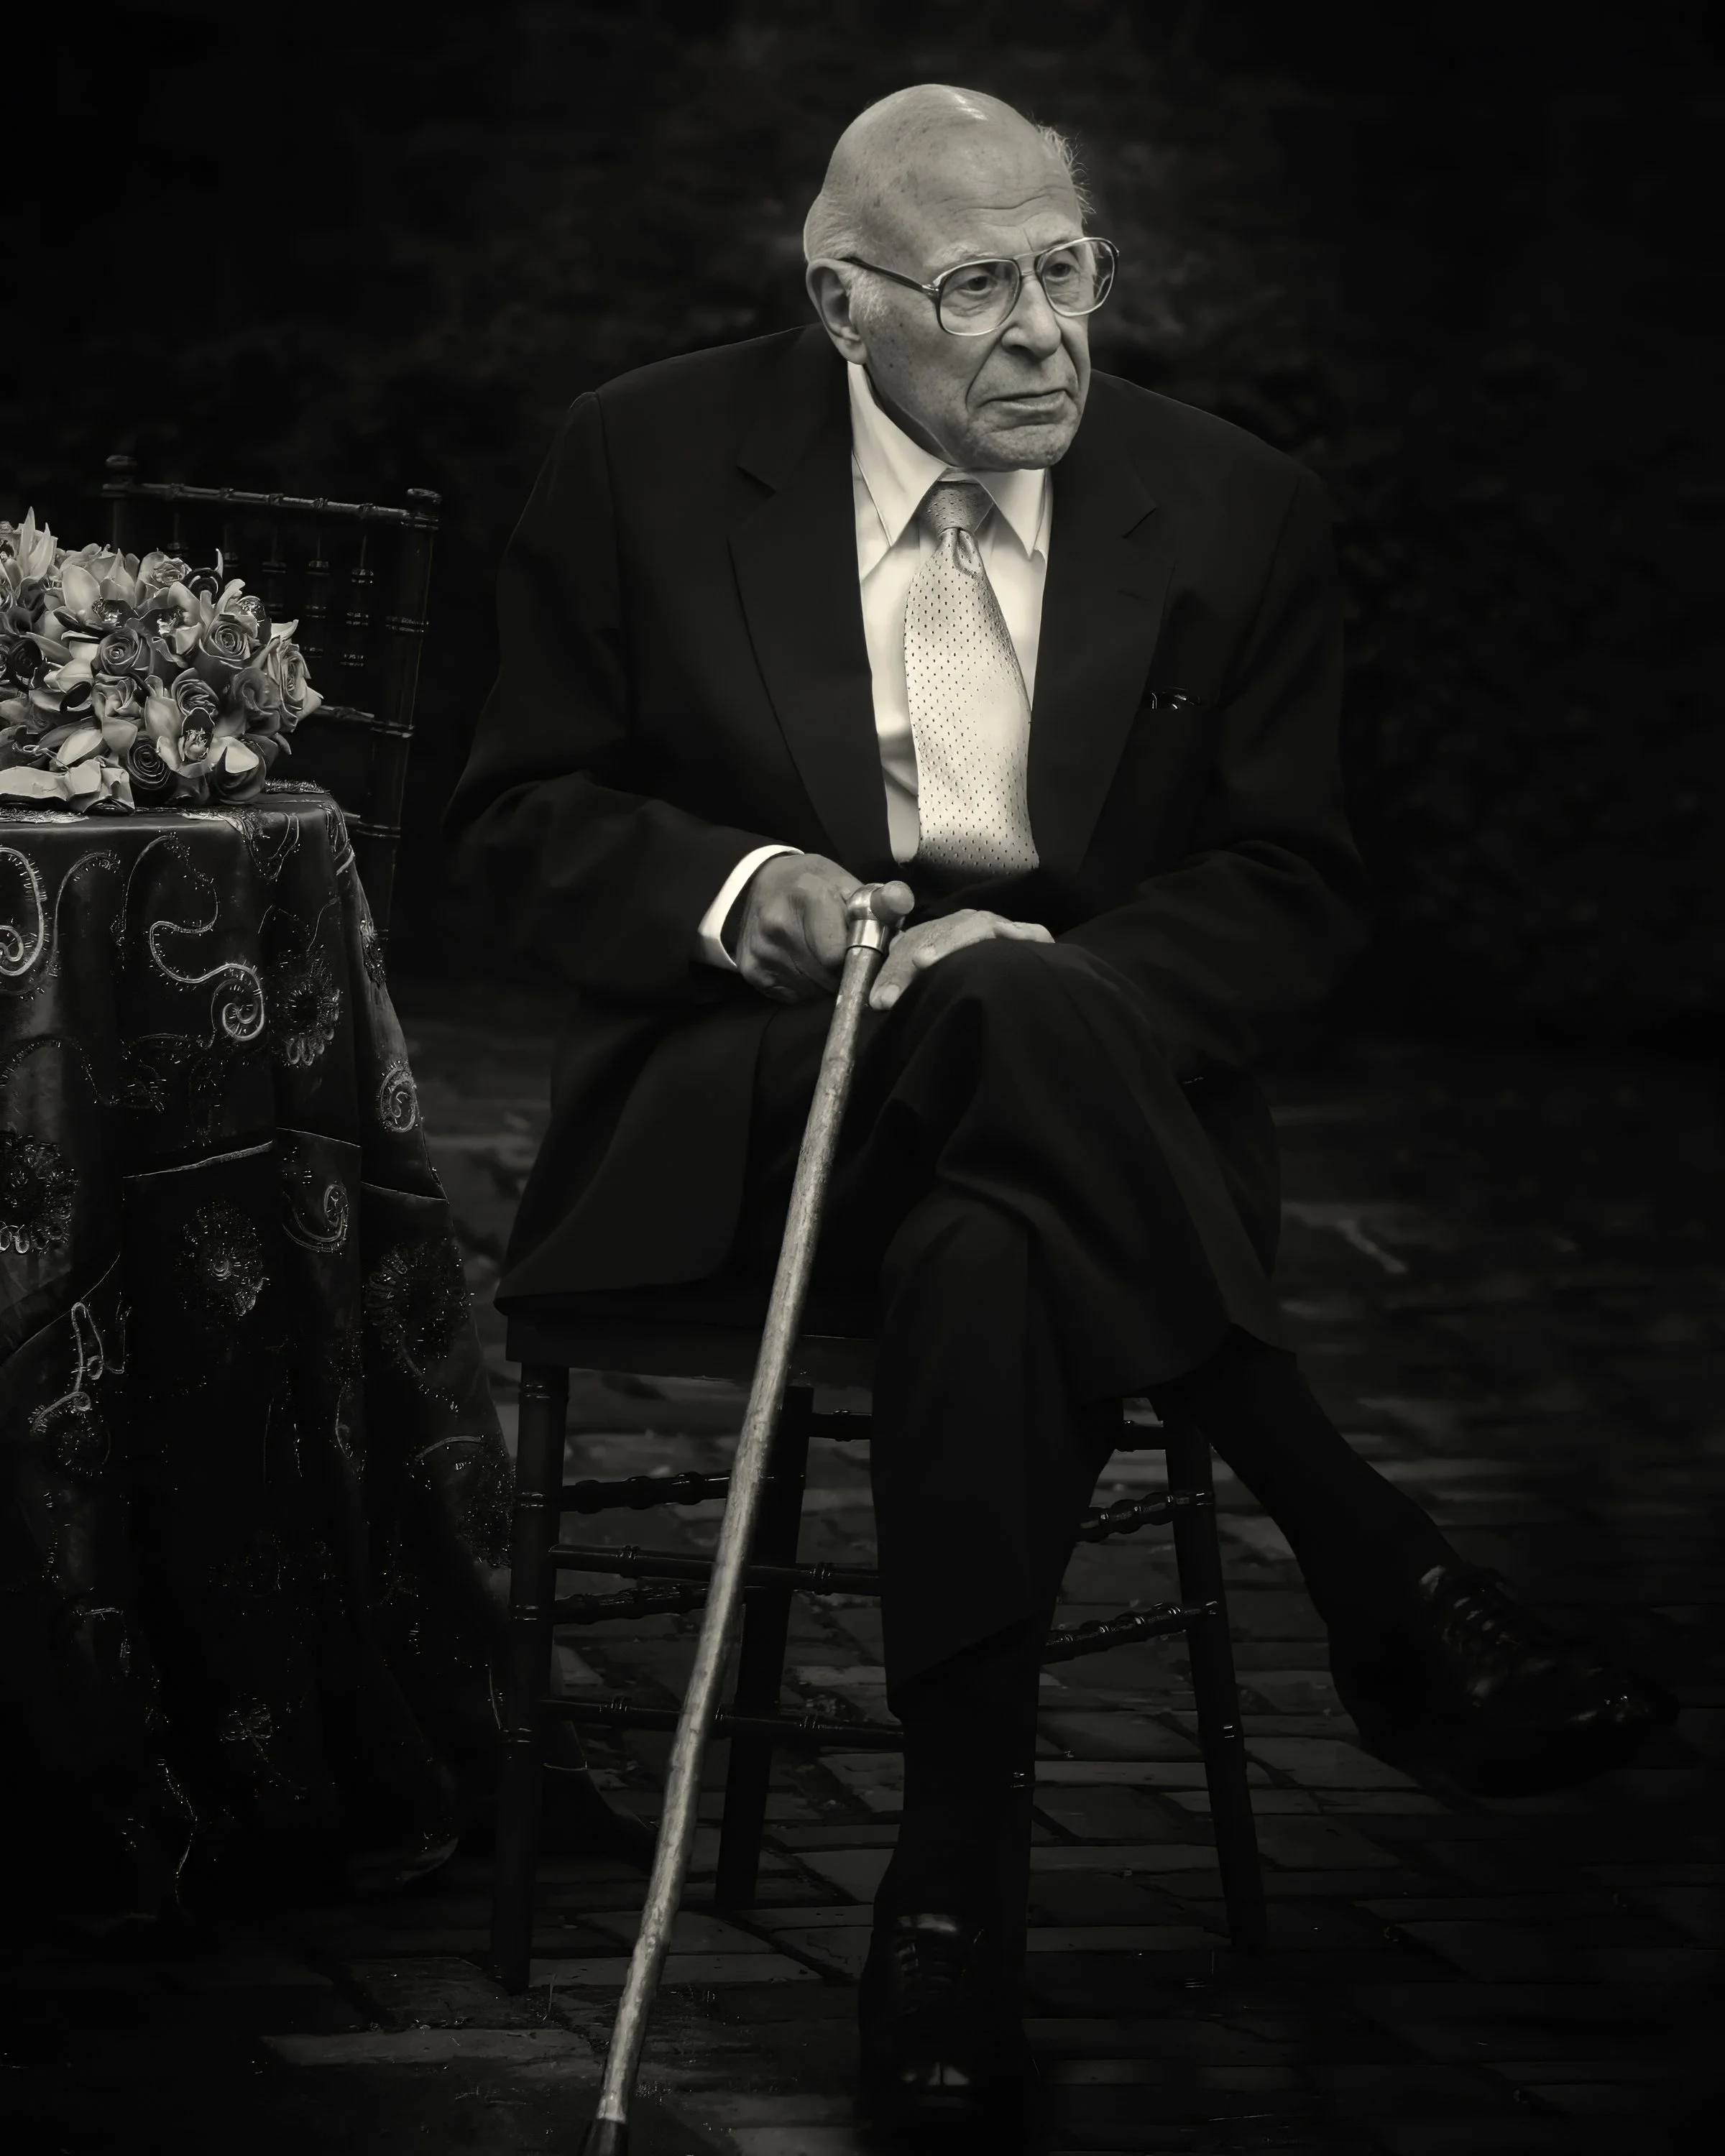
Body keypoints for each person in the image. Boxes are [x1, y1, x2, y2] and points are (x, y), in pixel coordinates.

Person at [447, 85, 1670, 2139]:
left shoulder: (1237, 506)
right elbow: (513, 823)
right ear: (842, 303)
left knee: (997, 1232)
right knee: (989, 1108)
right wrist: (748, 901)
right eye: (980, 285)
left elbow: (1296, 884)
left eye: (1070, 266)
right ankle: (1371, 1559)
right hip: (756, 1114)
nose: (1045, 332)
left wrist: (1041, 984)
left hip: (1073, 1116)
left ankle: (946, 1894)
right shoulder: (642, 463)